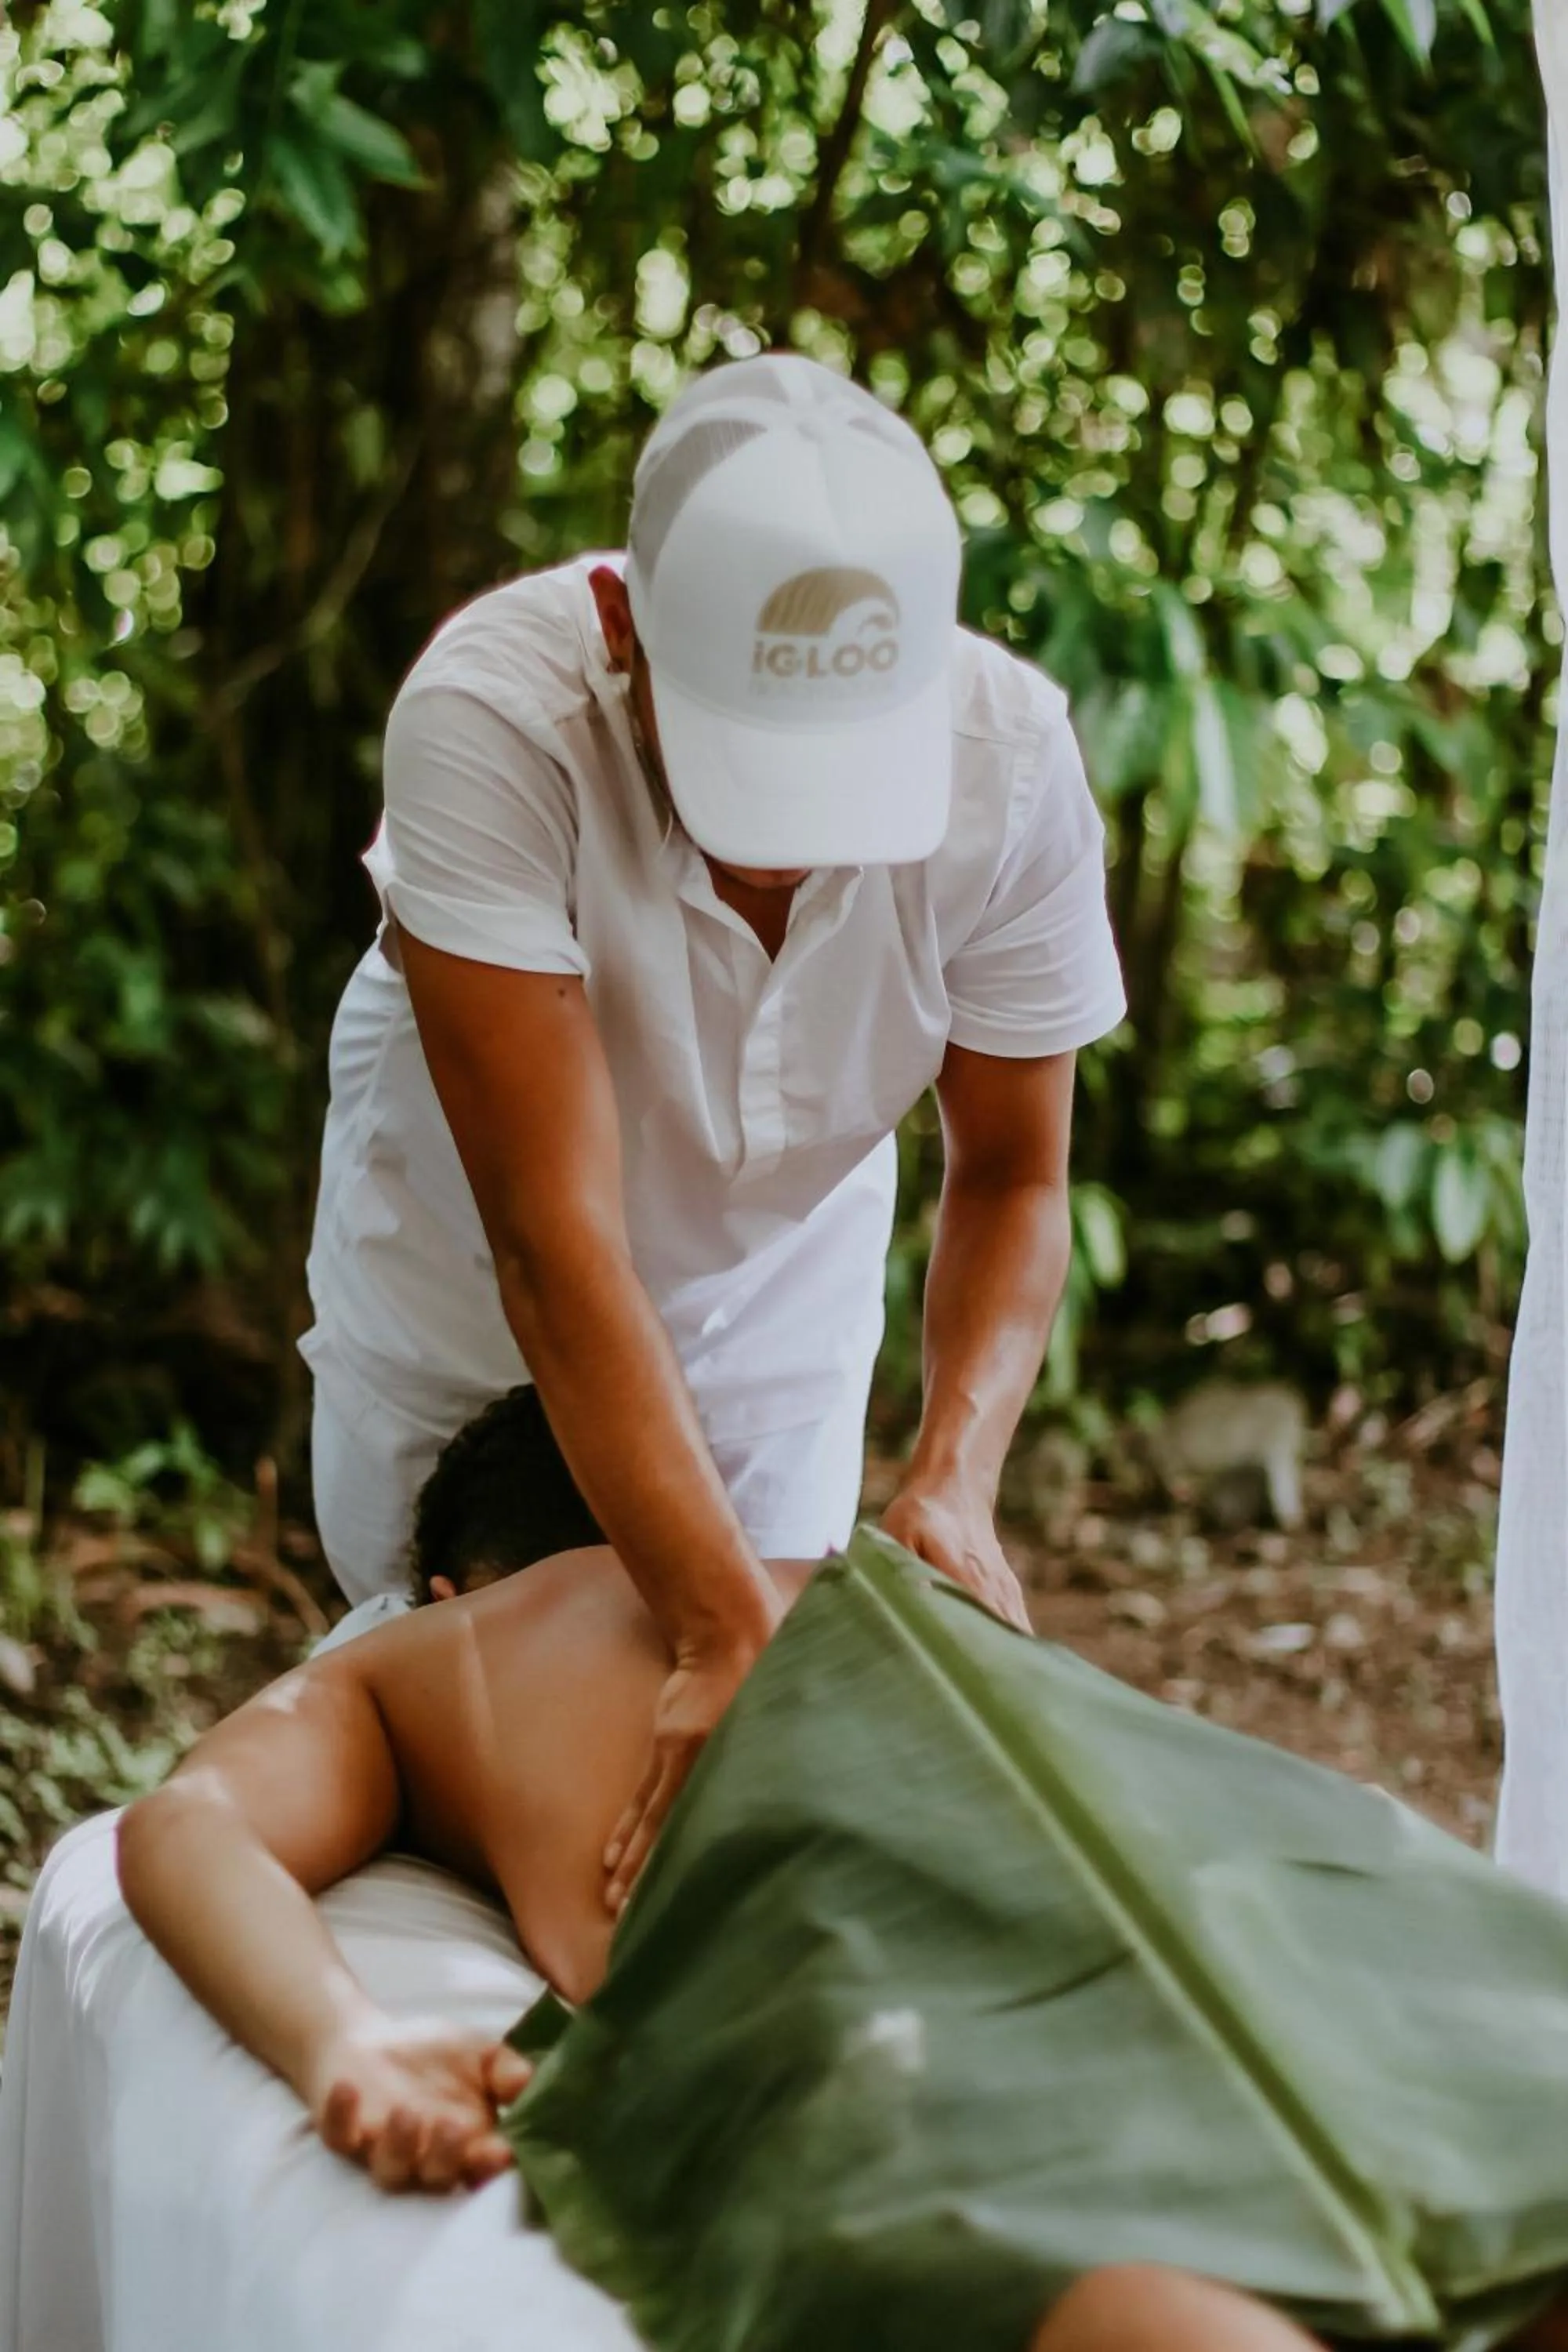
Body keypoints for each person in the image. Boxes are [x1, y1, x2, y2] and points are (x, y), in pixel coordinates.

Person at [117, 1395, 1568, 2352]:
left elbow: (185, 1827)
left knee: (1058, 2247)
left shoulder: (437, 1651)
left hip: (863, 1927)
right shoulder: (852, 1573)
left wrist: (343, 2043)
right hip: (1215, 1843)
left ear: (453, 1581)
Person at [302, 352, 1126, 1899]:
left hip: (783, 1272)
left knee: (752, 1773)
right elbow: (555, 1243)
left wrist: (952, 1471)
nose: (797, 857)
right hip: (484, 1281)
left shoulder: (1007, 764)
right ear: (623, 630)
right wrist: (708, 1614)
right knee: (463, 1703)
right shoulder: (494, 721)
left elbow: (1014, 1171)